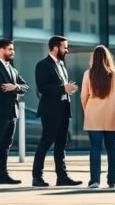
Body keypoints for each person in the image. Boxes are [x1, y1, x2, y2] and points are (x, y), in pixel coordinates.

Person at [32, 35, 81, 187]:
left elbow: (60, 88)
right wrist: (63, 88)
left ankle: (62, 177)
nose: (67, 50)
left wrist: (68, 90)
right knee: (46, 142)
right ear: (55, 48)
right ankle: (37, 177)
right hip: (50, 111)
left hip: (64, 110)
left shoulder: (62, 65)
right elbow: (42, 88)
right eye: (64, 47)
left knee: (61, 144)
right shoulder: (43, 65)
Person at [0, 39, 29, 185]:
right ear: (1, 50)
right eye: (10, 49)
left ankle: (3, 175)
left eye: (13, 49)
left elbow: (25, 86)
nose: (12, 52)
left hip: (12, 112)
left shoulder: (13, 69)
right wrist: (13, 88)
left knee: (6, 145)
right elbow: (0, 88)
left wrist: (14, 87)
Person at [80, 45, 115, 189]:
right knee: (112, 147)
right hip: (112, 115)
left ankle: (94, 181)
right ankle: (112, 181)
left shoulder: (88, 74)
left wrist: (87, 110)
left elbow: (83, 96)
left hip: (93, 115)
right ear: (108, 58)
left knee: (95, 148)